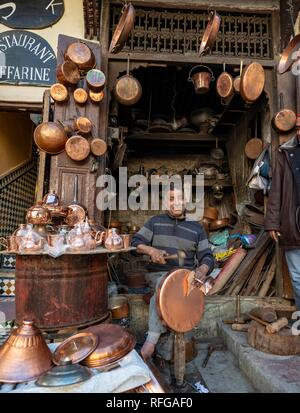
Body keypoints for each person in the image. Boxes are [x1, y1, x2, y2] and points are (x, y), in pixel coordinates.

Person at [131, 185, 214, 368]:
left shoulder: (196, 228)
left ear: (185, 201)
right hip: (158, 275)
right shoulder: (155, 222)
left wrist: (203, 269)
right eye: (170, 198)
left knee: (177, 297)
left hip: (186, 277)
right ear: (165, 202)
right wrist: (150, 249)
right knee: (165, 288)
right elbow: (135, 243)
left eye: (179, 198)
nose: (175, 202)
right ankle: (152, 343)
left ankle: (158, 350)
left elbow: (207, 256)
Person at [265, 115, 300, 310]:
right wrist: (272, 222)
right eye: (298, 128)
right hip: (292, 223)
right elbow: (276, 189)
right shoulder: (286, 153)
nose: (299, 132)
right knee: (297, 277)